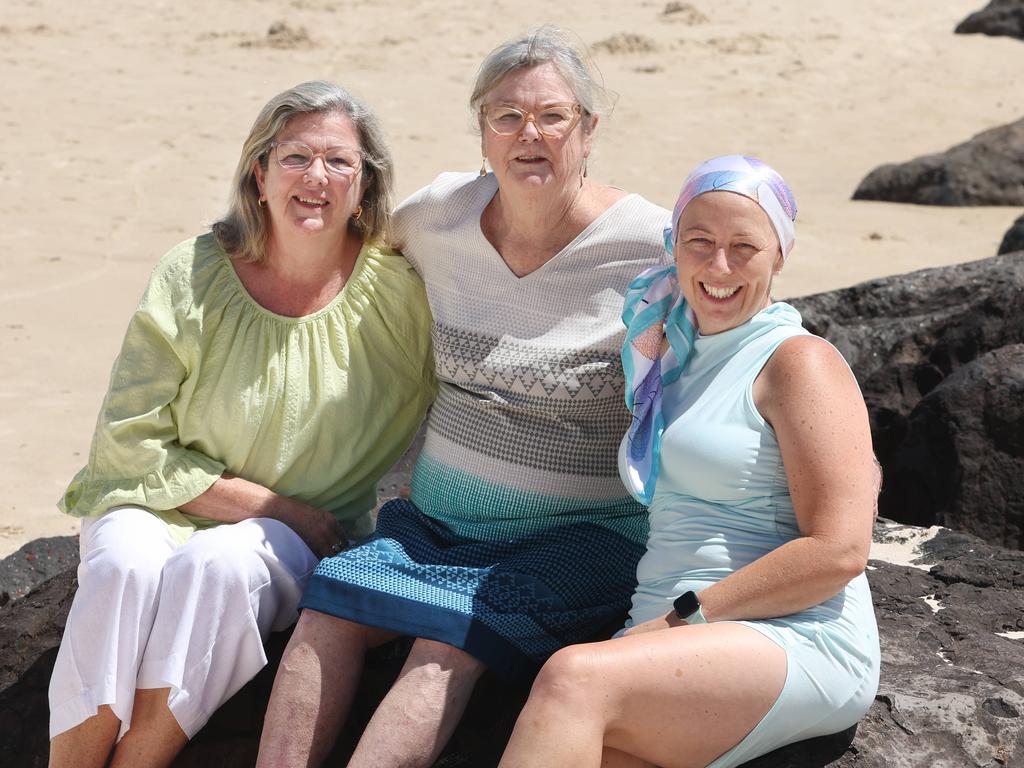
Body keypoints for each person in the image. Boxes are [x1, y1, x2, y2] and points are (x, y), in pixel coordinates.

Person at [256, 26, 671, 768]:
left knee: (446, 634)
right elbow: (339, 265)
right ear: (482, 132)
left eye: (553, 115)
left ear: (589, 129)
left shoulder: (651, 247)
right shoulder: (436, 217)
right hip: (433, 523)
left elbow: (741, 337)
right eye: (506, 116)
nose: (529, 134)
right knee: (330, 605)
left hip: (582, 536)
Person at [46, 80, 436, 768]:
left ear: (366, 183)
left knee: (217, 564)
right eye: (295, 158)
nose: (317, 177)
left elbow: (467, 388)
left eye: (340, 162)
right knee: (124, 570)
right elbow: (127, 444)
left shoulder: (400, 297)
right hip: (158, 503)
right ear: (259, 173)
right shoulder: (191, 273)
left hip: (286, 543)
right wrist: (274, 505)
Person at [498, 155, 881, 768]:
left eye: (744, 247)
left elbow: (839, 551)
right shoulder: (668, 356)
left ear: (779, 255)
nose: (719, 266)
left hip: (787, 635)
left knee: (569, 678)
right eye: (699, 242)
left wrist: (687, 616)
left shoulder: (798, 361)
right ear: (673, 245)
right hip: (672, 645)